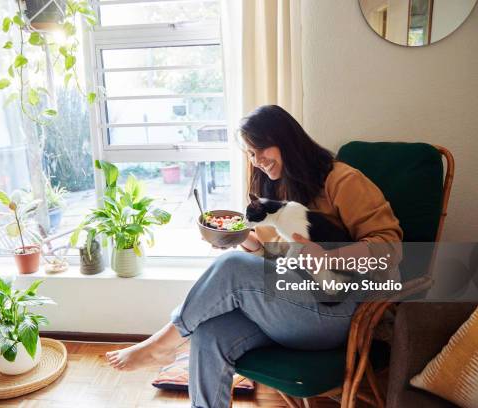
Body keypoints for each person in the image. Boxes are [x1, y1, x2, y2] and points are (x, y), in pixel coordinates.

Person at [106, 105, 403, 408]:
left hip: (339, 315)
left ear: (286, 139)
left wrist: (331, 256)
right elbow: (268, 262)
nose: (257, 161)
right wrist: (241, 239)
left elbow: (390, 247)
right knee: (209, 333)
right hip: (289, 305)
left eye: (261, 149)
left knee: (232, 267)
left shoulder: (341, 180)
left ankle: (163, 343)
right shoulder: (271, 190)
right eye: (250, 153)